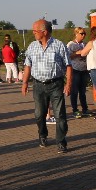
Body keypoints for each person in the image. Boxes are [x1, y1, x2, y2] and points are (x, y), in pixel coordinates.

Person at [21, 19, 72, 152]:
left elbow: (68, 65)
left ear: (44, 32)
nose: (33, 33)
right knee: (39, 114)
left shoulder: (59, 45)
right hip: (38, 85)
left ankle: (61, 141)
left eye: (35, 31)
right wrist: (25, 82)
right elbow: (27, 65)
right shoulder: (32, 46)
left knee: (60, 115)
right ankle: (42, 135)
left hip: (56, 84)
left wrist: (68, 84)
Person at [65, 27, 92, 119]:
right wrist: (77, 53)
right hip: (75, 69)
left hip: (84, 69)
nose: (83, 35)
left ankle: (85, 109)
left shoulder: (85, 44)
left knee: (83, 91)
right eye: (81, 33)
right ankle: (75, 110)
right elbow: (67, 57)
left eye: (84, 33)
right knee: (74, 91)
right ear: (76, 34)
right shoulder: (71, 44)